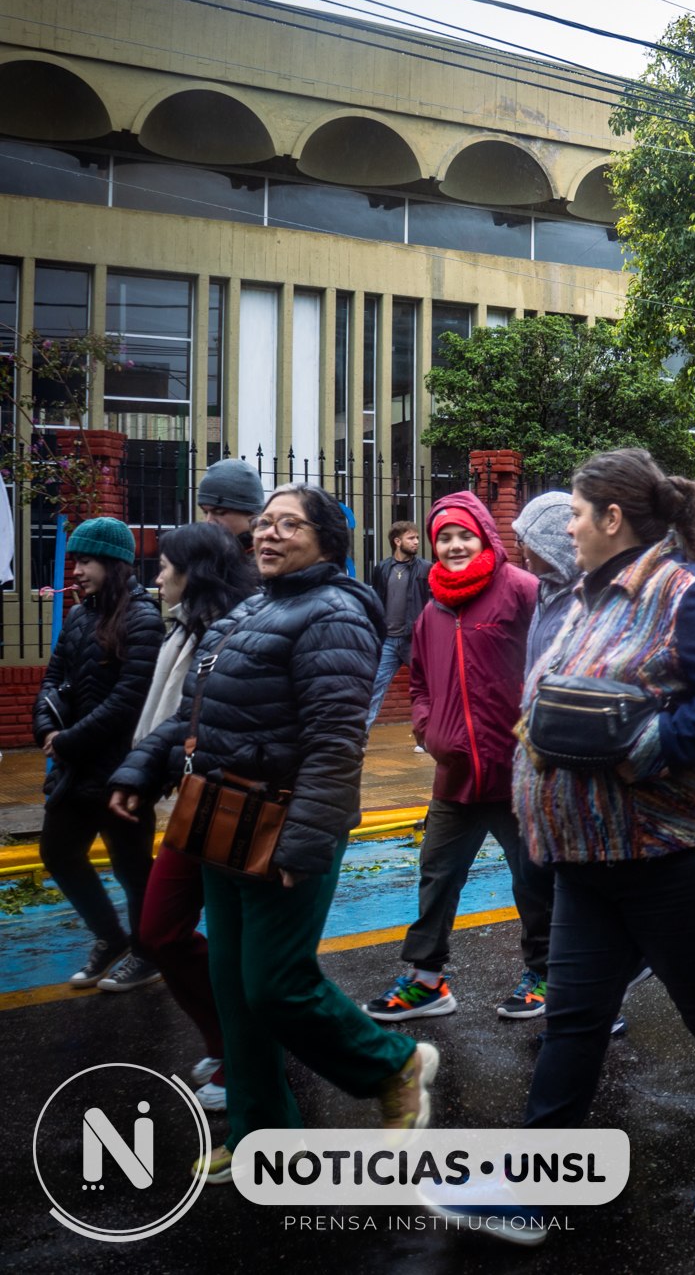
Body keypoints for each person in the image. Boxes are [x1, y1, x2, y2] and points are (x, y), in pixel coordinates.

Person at [110, 484, 436, 1186]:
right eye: (264, 523)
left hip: (284, 823)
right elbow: (199, 714)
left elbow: (335, 742)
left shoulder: (335, 613)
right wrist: (142, 767)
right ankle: (261, 1134)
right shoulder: (254, 606)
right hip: (219, 816)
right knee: (233, 988)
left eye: (289, 525)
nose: (268, 534)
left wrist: (305, 841)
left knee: (275, 985)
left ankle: (393, 1064)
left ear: (327, 541)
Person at [505, 449, 695, 1226]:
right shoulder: (585, 596)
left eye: (574, 512)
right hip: (589, 859)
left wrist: (657, 745)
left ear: (612, 517)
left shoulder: (683, 592)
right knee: (573, 1016)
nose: (566, 527)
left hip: (681, 851)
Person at [363, 492, 551, 1023]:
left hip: (517, 772)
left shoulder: (522, 590)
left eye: (464, 534)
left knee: (534, 881)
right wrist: (429, 730)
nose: (454, 545)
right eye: (443, 537)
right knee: (437, 874)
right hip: (456, 774)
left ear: (485, 536)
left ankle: (547, 975)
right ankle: (426, 981)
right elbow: (420, 681)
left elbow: (556, 659)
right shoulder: (433, 610)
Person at [128, 522, 260, 1112]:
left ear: (196, 573)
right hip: (190, 797)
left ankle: (247, 1057)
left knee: (243, 953)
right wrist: (140, 769)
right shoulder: (182, 628)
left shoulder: (232, 632)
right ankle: (229, 1041)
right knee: (159, 932)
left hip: (227, 803)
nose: (157, 578)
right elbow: (173, 719)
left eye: (165, 567)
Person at [38, 517, 164, 990]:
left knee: (132, 868)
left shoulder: (143, 619)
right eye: (75, 560)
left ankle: (148, 954)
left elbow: (128, 699)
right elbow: (53, 679)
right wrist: (47, 727)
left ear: (114, 564)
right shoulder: (78, 616)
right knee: (58, 853)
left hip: (122, 770)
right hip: (76, 769)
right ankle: (111, 938)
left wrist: (66, 741)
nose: (77, 570)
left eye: (86, 561)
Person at [366, 520, 432, 728]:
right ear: (397, 541)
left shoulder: (426, 569)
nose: (416, 542)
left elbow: (432, 605)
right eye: (411, 538)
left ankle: (429, 737)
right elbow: (377, 603)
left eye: (417, 538)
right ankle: (358, 738)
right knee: (373, 689)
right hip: (388, 641)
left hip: (415, 641)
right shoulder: (382, 569)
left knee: (431, 690)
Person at [513, 490, 581, 680]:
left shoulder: (585, 599)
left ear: (551, 545)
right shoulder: (546, 590)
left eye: (523, 540)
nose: (518, 547)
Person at [197, 458, 265, 553]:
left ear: (252, 513)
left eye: (220, 513)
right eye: (205, 512)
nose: (209, 521)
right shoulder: (205, 553)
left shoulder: (267, 556)